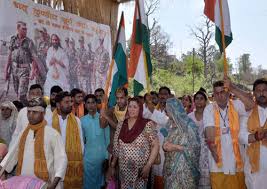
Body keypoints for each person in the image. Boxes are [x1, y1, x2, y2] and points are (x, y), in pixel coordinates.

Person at [0, 97, 67, 189]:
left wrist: (54, 184)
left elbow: (61, 160)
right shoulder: (24, 132)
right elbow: (13, 154)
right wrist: (2, 169)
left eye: (34, 112)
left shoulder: (53, 134)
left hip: (45, 184)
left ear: (43, 113)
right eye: (29, 112)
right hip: (24, 183)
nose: (30, 115)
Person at [204, 81, 247, 189]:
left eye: (222, 92)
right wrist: (213, 150)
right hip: (218, 163)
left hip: (237, 162)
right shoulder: (209, 109)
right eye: (216, 93)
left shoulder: (237, 105)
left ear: (228, 92)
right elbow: (209, 130)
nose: (219, 96)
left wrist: (233, 88)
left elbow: (251, 104)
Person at [110, 97, 159, 189]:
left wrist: (148, 165)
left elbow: (155, 145)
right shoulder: (121, 124)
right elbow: (116, 147)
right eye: (130, 106)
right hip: (124, 171)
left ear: (140, 108)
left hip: (141, 171)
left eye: (135, 107)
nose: (131, 109)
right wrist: (112, 165)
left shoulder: (147, 124)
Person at [46, 91, 84, 189]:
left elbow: (81, 144)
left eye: (71, 102)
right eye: (66, 102)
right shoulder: (48, 121)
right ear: (58, 104)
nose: (70, 104)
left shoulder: (76, 121)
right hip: (54, 166)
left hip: (72, 165)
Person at [163, 97, 200, 189]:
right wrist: (165, 146)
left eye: (168, 109)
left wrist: (175, 147)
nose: (166, 111)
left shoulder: (189, 125)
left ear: (174, 109)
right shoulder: (169, 125)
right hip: (170, 168)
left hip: (185, 169)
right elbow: (165, 142)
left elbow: (195, 147)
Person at [239, 78, 267, 189]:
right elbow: (241, 136)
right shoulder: (247, 111)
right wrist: (255, 136)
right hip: (254, 168)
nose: (262, 93)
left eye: (265, 90)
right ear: (254, 93)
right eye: (258, 90)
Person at [142, 87, 171, 189]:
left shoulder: (173, 110)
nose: (163, 96)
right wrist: (148, 104)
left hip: (168, 148)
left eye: (165, 94)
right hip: (154, 147)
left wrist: (152, 109)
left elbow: (166, 121)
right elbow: (144, 114)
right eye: (161, 94)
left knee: (166, 174)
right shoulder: (153, 109)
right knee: (155, 174)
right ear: (158, 96)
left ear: (169, 96)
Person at [5, 21, 38, 105]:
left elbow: (34, 57)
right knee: (17, 94)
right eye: (23, 29)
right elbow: (9, 55)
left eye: (26, 29)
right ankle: (25, 109)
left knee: (21, 95)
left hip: (24, 70)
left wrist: (33, 70)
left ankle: (26, 110)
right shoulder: (13, 40)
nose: (25, 31)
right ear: (18, 29)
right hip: (14, 69)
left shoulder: (29, 42)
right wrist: (6, 70)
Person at [81, 94, 110, 189]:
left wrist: (106, 157)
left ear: (96, 104)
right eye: (88, 103)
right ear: (85, 105)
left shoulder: (103, 118)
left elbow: (108, 139)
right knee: (87, 184)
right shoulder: (82, 121)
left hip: (102, 159)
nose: (90, 105)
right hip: (88, 159)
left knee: (101, 184)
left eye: (93, 102)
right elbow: (81, 141)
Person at [188, 90, 211, 189]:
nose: (199, 101)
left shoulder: (210, 115)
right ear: (194, 101)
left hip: (208, 151)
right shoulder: (189, 117)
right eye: (196, 99)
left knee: (206, 179)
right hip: (193, 152)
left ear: (206, 101)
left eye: (201, 99)